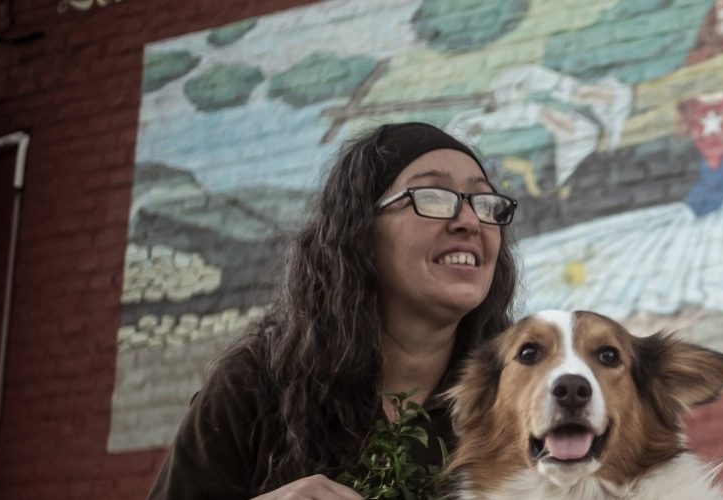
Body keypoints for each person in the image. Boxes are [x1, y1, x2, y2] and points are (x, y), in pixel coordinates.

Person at [148, 122, 521, 499]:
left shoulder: (524, 394)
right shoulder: (253, 385)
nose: (470, 222)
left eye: (485, 203)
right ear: (360, 231)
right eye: (433, 197)